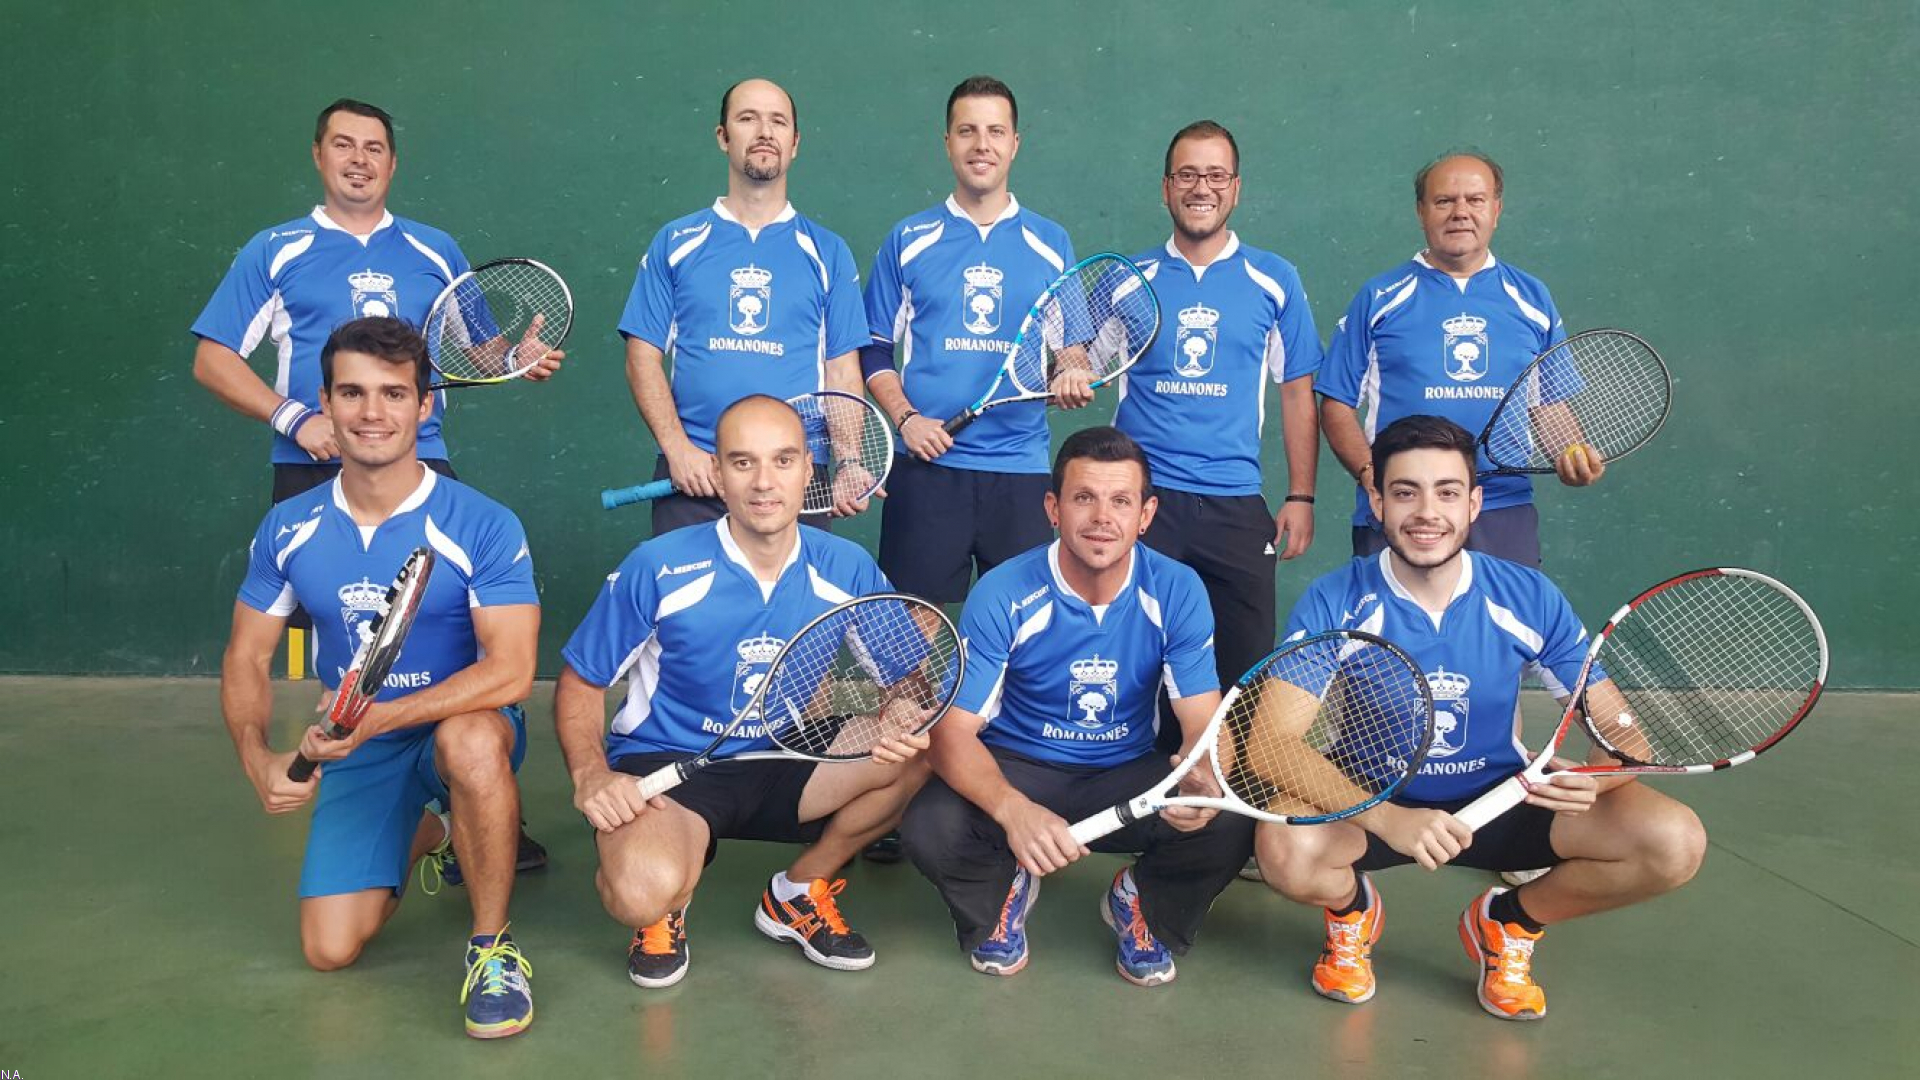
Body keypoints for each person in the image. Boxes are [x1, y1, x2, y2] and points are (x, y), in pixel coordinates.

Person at [191, 97, 556, 875]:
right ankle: (372, 796)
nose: (359, 159)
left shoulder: (433, 249)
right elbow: (212, 357)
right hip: (309, 467)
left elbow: (476, 350)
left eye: (375, 148)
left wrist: (513, 358)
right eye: (344, 145)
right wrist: (295, 417)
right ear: (318, 155)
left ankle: (484, 804)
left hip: (423, 465)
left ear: (393, 163)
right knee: (351, 639)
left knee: (455, 640)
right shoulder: (275, 250)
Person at [1251, 414, 1705, 1020]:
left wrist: (1598, 779)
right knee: (1285, 850)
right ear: (1377, 502)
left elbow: (1625, 736)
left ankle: (1509, 923)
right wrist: (1388, 818)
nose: (1426, 512)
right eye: (1406, 492)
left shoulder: (1527, 596)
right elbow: (1272, 743)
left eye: (1447, 492)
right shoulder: (1337, 599)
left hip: (1502, 799)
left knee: (1673, 841)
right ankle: (1352, 912)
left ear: (1473, 504)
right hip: (1373, 800)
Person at [219, 317, 540, 1039]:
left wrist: (376, 718)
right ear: (325, 403)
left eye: (394, 394)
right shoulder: (288, 528)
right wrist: (257, 757)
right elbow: (246, 657)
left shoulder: (483, 523)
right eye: (352, 393)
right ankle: (435, 829)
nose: (372, 413)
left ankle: (492, 948)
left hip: (466, 722)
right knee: (329, 948)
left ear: (424, 406)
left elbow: (512, 671)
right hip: (362, 745)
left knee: (469, 744)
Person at [554, 395, 932, 988]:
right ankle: (665, 902)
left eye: (783, 461)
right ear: (717, 473)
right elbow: (581, 682)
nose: (763, 482)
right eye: (742, 462)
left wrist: (903, 710)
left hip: (788, 755)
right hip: (671, 765)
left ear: (808, 470)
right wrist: (591, 775)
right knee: (639, 893)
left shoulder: (847, 566)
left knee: (927, 745)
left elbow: (909, 673)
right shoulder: (658, 566)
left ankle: (797, 892)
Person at [899, 427, 1250, 986]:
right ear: (1052, 509)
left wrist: (1204, 778)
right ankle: (1002, 889)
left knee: (1227, 820)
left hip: (1125, 770)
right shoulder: (1004, 590)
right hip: (1019, 764)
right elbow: (951, 732)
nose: (1102, 518)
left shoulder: (1177, 589)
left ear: (1146, 514)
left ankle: (1141, 900)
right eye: (1084, 497)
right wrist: (1013, 811)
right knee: (931, 826)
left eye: (1121, 501)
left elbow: (1202, 722)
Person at [1115, 119, 1322, 717]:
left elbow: (1296, 392)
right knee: (1136, 667)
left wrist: (1301, 495)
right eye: (1186, 175)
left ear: (1235, 188)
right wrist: (1068, 371)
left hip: (1235, 503)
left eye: (1215, 175)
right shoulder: (1129, 280)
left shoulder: (1274, 279)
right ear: (1165, 188)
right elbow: (1076, 365)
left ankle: (1227, 774)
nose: (1200, 187)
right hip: (1147, 504)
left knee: (1243, 677)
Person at [1316, 152, 1602, 572]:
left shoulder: (1532, 299)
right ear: (1421, 211)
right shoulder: (1379, 298)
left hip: (1502, 509)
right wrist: (1370, 473)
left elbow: (1548, 405)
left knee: (1504, 619)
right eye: (1444, 201)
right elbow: (1337, 403)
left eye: (1475, 200)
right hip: (1402, 508)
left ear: (1496, 210)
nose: (1460, 212)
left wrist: (1571, 452)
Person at [859, 75, 1086, 604]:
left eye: (995, 132)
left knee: (1026, 631)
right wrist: (907, 420)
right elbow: (872, 348)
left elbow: (1071, 348)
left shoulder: (1051, 243)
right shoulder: (908, 240)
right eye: (967, 131)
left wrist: (1072, 372)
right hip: (927, 470)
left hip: (1020, 471)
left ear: (1015, 143)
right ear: (948, 143)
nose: (982, 145)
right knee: (911, 635)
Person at [621, 79, 871, 536]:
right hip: (696, 472)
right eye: (748, 118)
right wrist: (678, 450)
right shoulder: (676, 243)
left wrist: (849, 461)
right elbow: (642, 356)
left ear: (795, 143)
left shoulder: (828, 253)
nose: (764, 132)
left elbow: (841, 370)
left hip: (795, 477)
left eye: (778, 122)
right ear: (723, 136)